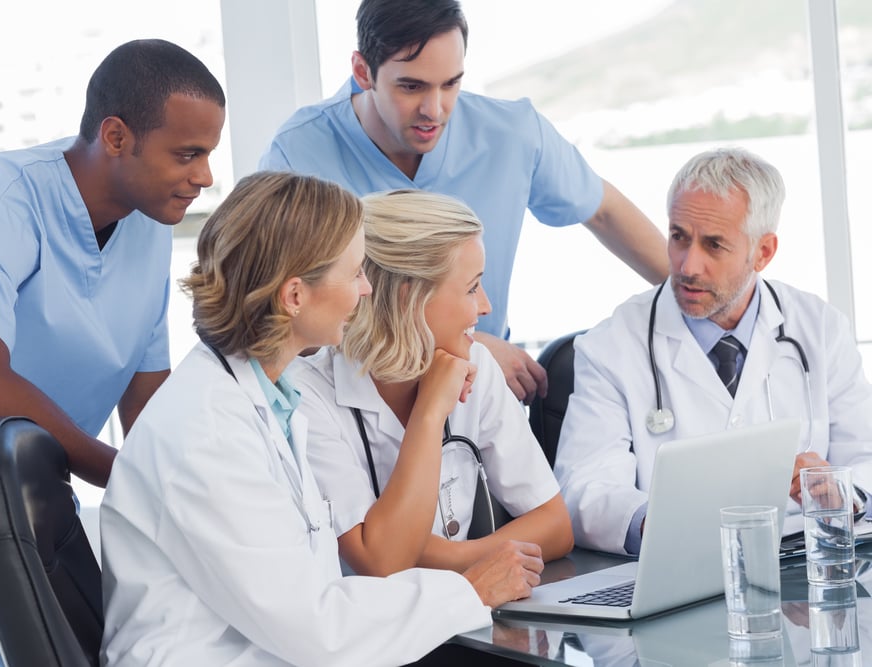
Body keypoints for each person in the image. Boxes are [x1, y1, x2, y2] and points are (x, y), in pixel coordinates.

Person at [0, 39, 226, 665]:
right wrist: (121, 475)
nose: (204, 176)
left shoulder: (147, 226)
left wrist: (208, 496)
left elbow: (149, 405)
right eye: (187, 154)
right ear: (116, 136)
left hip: (40, 487)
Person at [99, 171, 544, 666]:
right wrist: (468, 592)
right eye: (355, 273)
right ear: (294, 296)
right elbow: (318, 630)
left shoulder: (265, 399)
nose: (368, 290)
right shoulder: (208, 433)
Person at [259, 0, 668, 403]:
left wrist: (710, 304)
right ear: (363, 71)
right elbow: (279, 309)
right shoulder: (296, 154)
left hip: (483, 396)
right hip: (346, 399)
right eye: (411, 86)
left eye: (450, 83)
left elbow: (604, 211)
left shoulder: (513, 133)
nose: (434, 110)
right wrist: (464, 348)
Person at [553, 147, 872, 556]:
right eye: (678, 237)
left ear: (763, 252)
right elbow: (583, 487)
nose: (687, 266)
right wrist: (662, 522)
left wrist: (838, 489)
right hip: (678, 566)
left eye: (714, 245)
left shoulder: (820, 328)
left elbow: (865, 456)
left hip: (807, 564)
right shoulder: (611, 345)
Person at [292, 189, 572, 580]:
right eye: (472, 287)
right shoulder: (306, 398)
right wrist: (429, 411)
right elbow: (382, 563)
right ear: (410, 299)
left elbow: (556, 525)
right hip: (366, 631)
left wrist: (459, 557)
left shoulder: (476, 365)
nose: (485, 306)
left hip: (462, 614)